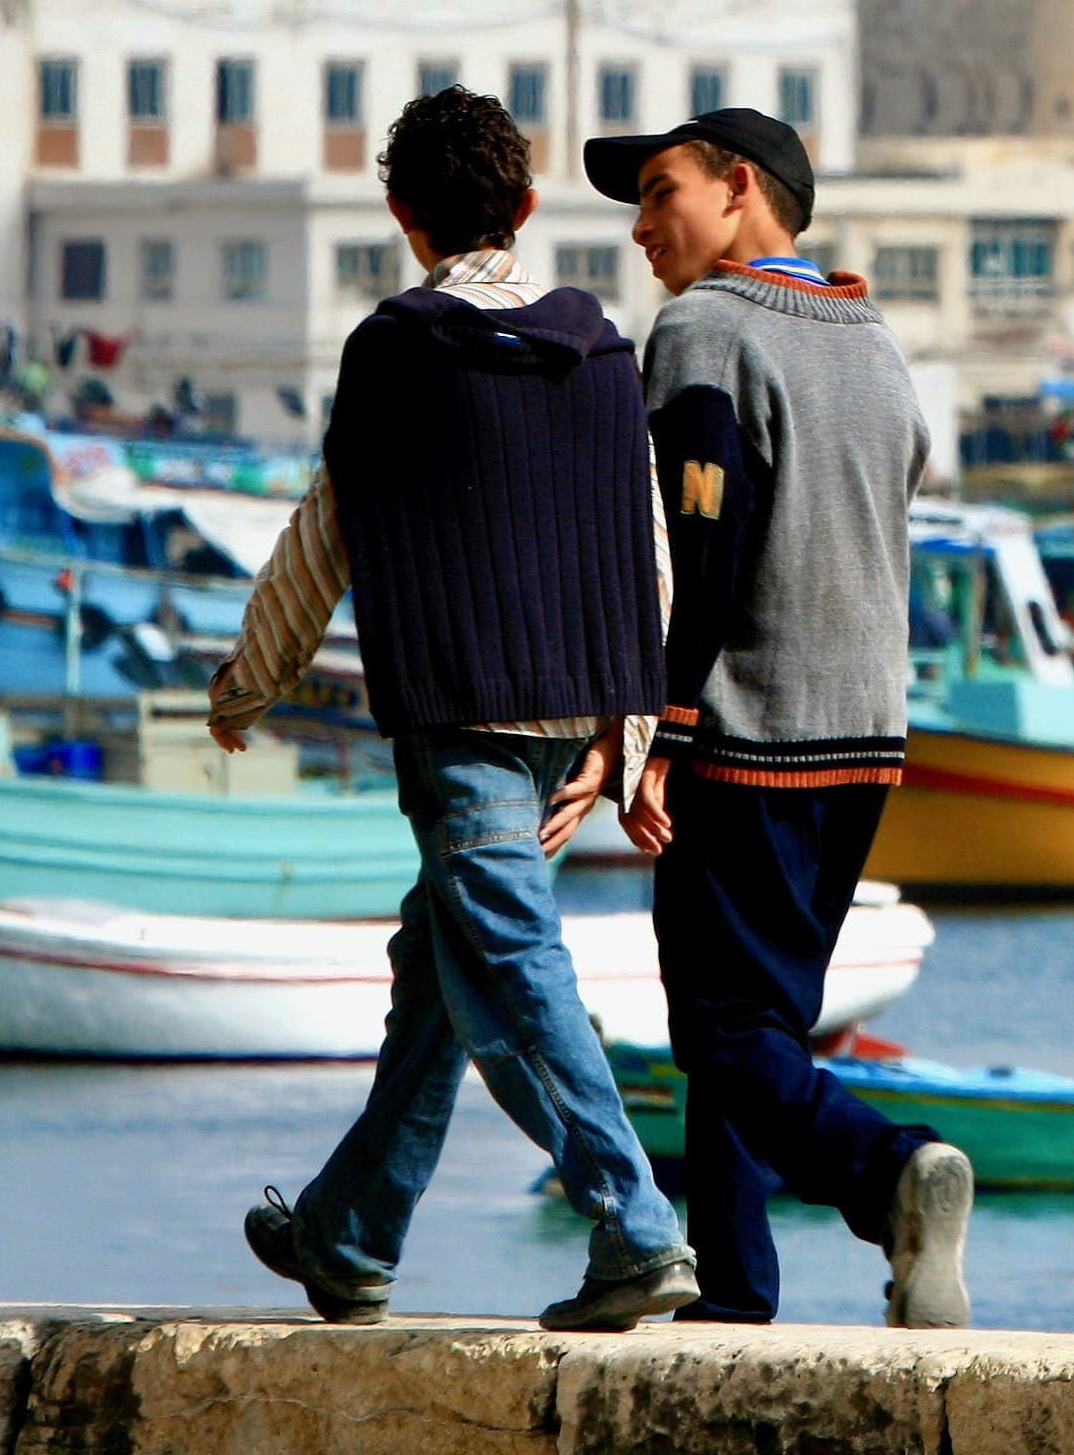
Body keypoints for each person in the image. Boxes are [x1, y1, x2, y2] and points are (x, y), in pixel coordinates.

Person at [210, 87, 699, 1332]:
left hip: (460, 708)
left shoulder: (395, 348)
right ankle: (348, 1232)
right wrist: (622, 727)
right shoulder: (599, 350)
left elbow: (330, 530)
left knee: (512, 969)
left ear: (401, 215)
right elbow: (642, 545)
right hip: (567, 722)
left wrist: (250, 682)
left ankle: (636, 1222)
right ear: (528, 209)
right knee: (443, 964)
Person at [585, 104, 972, 1330]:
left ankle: (887, 1169)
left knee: (721, 1023)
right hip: (867, 737)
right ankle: (736, 1285)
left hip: (748, 729)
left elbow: (695, 544)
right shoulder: (872, 334)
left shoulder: (702, 327)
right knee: (756, 1021)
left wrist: (654, 722)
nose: (645, 228)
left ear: (739, 186)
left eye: (661, 193)